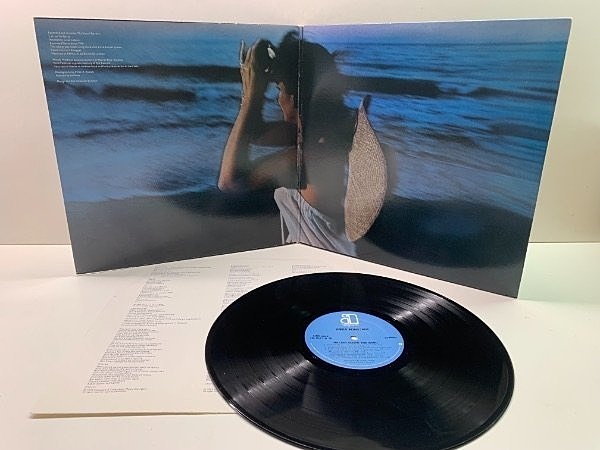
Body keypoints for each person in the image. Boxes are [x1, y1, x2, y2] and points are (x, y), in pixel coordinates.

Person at [217, 32, 386, 256]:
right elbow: (255, 133)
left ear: (294, 97)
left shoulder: (310, 156)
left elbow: (229, 181)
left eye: (279, 90)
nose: (277, 98)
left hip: (323, 269)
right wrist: (256, 85)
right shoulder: (323, 135)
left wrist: (252, 95)